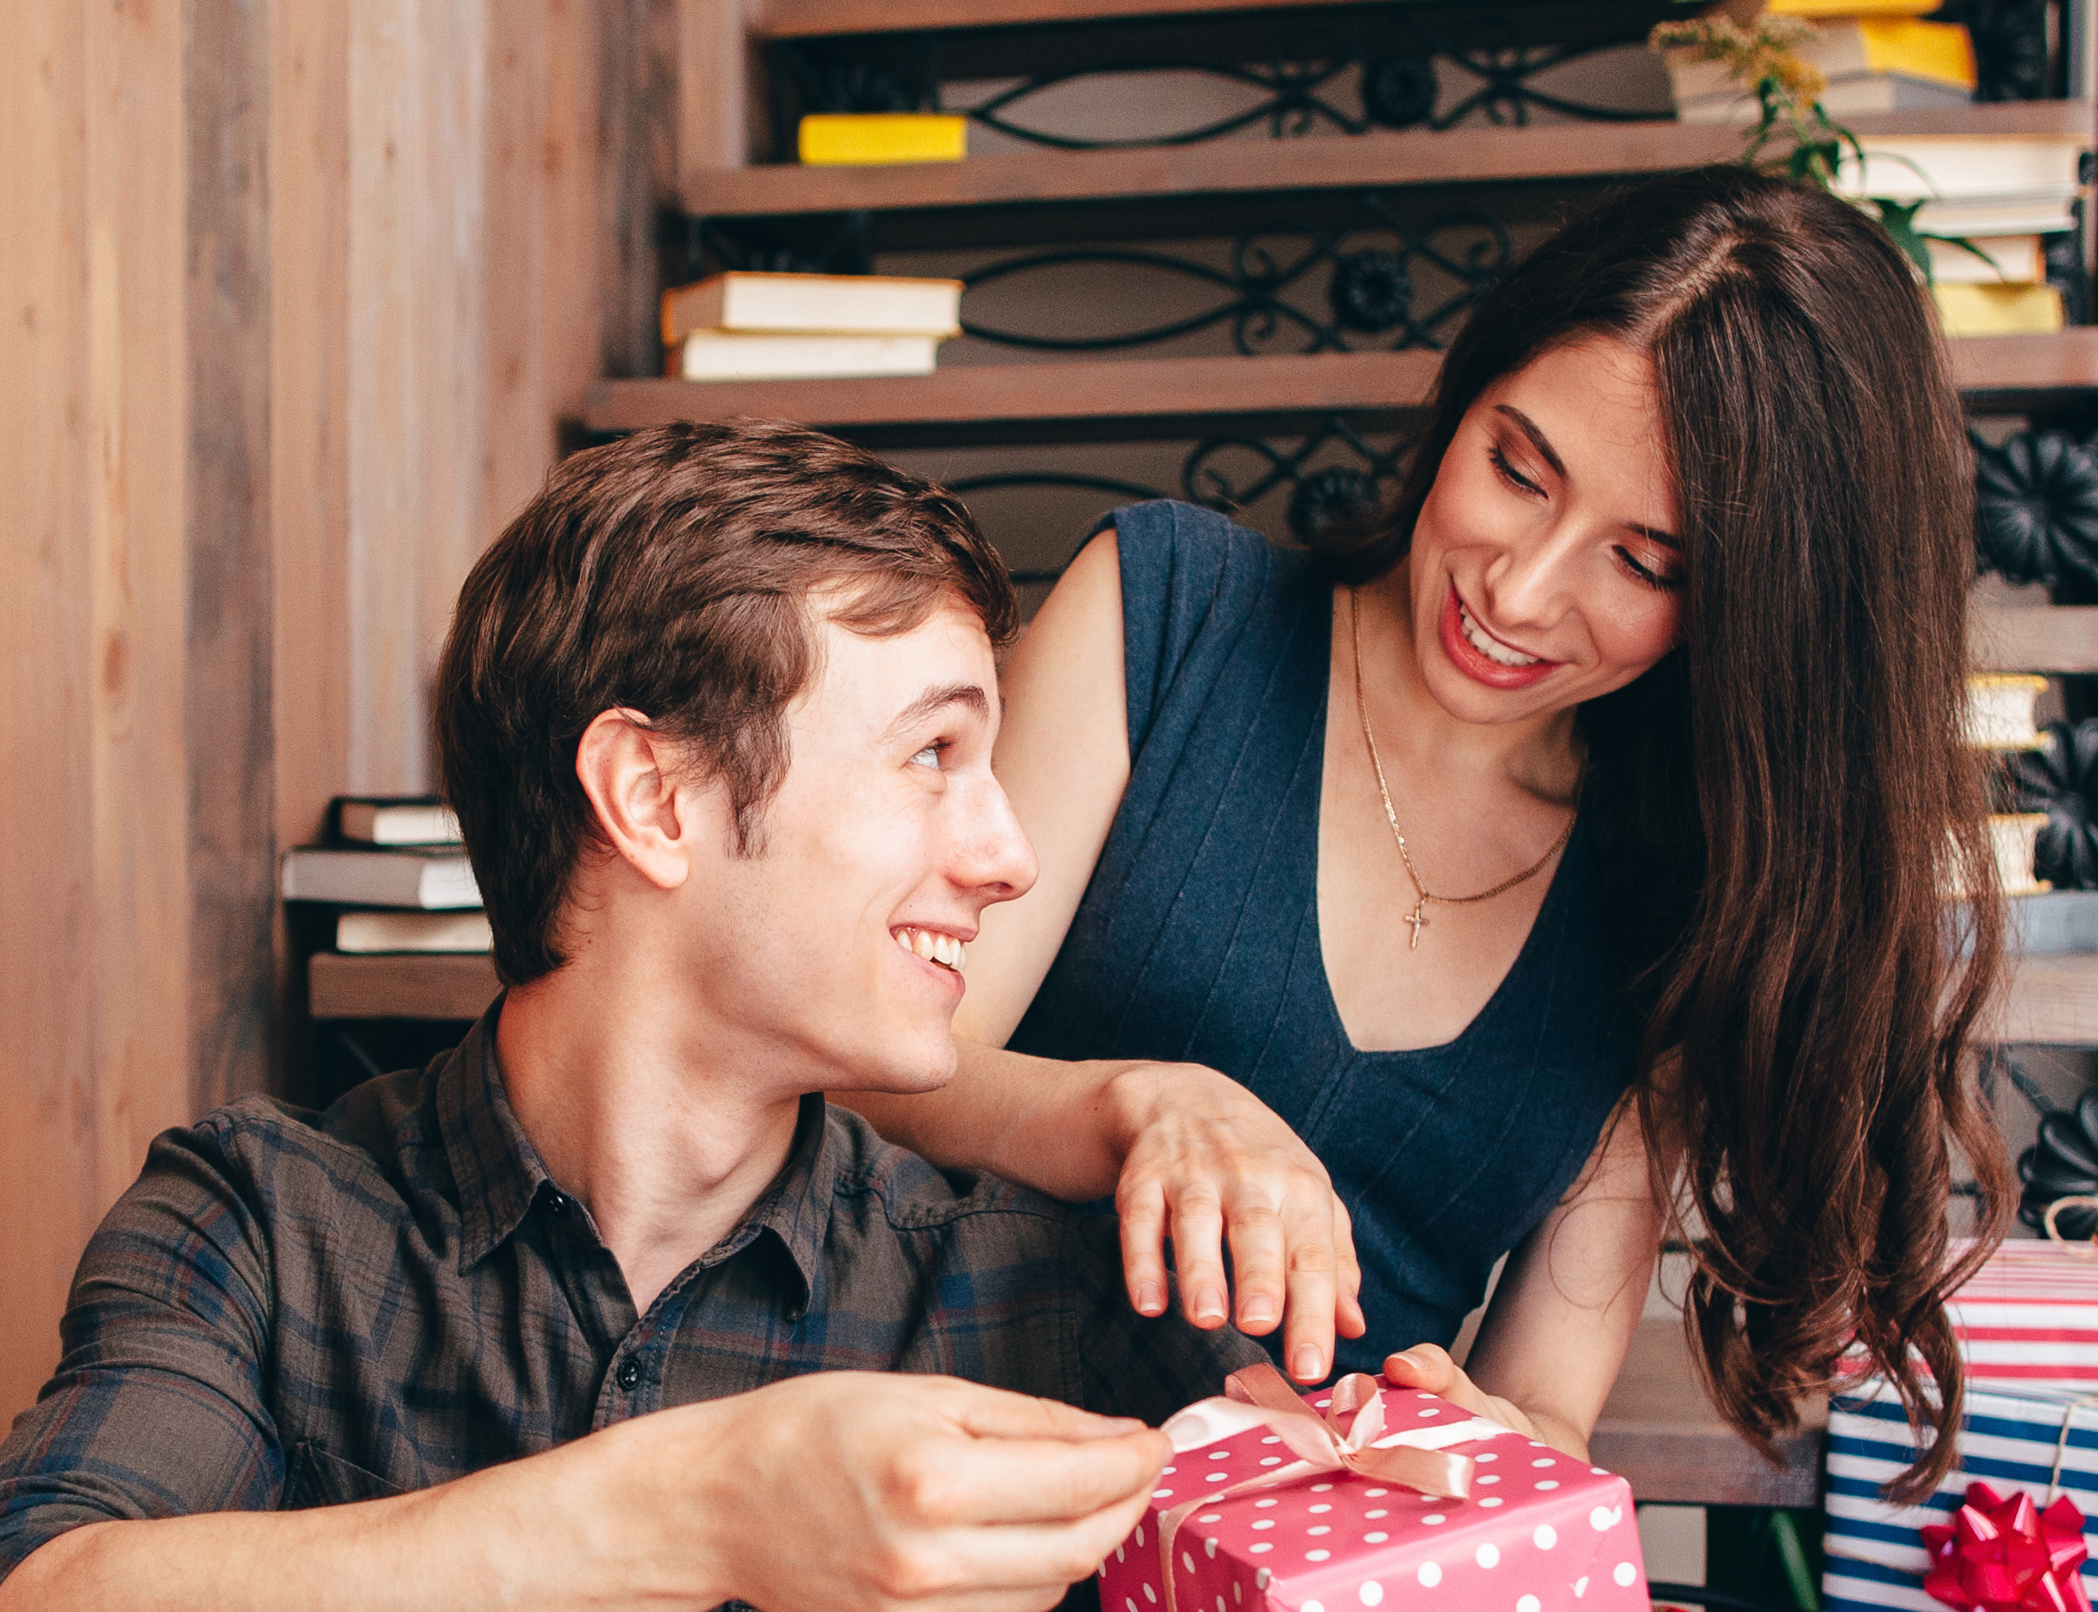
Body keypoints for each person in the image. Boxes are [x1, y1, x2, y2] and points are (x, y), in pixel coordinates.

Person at [0, 421, 1694, 1612]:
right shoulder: (268, 1227)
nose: (1010, 851)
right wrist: (711, 1500)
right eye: (930, 757)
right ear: (653, 794)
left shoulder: (1054, 1292)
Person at [848, 165, 2010, 1496]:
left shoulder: (1670, 913)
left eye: (1640, 563)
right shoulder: (1169, 616)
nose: (1517, 587)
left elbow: (1540, 1410)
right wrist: (1132, 1106)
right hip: (916, 1492)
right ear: (1466, 395)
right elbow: (878, 1069)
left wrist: (1487, 1446)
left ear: (1746, 621)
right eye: (1519, 468)